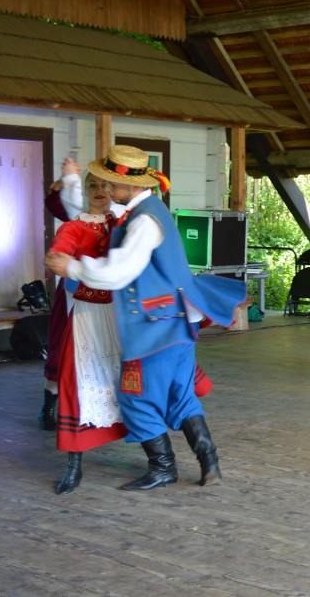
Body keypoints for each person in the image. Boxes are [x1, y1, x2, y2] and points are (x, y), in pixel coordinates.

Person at [45, 145, 245, 491]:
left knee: (135, 397)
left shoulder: (144, 221)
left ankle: (163, 468)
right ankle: (209, 463)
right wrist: (71, 183)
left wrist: (72, 267)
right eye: (101, 183)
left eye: (111, 184)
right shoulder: (144, 211)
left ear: (132, 185)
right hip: (176, 323)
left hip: (154, 328)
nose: (106, 190)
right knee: (181, 395)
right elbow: (87, 216)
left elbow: (119, 271)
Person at [47, 168, 128, 494]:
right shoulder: (75, 226)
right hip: (88, 315)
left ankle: (159, 459)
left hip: (121, 314)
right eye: (92, 185)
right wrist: (61, 259)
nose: (99, 190)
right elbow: (57, 255)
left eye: (105, 184)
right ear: (85, 190)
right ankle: (74, 467)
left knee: (131, 381)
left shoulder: (124, 223)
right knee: (77, 385)